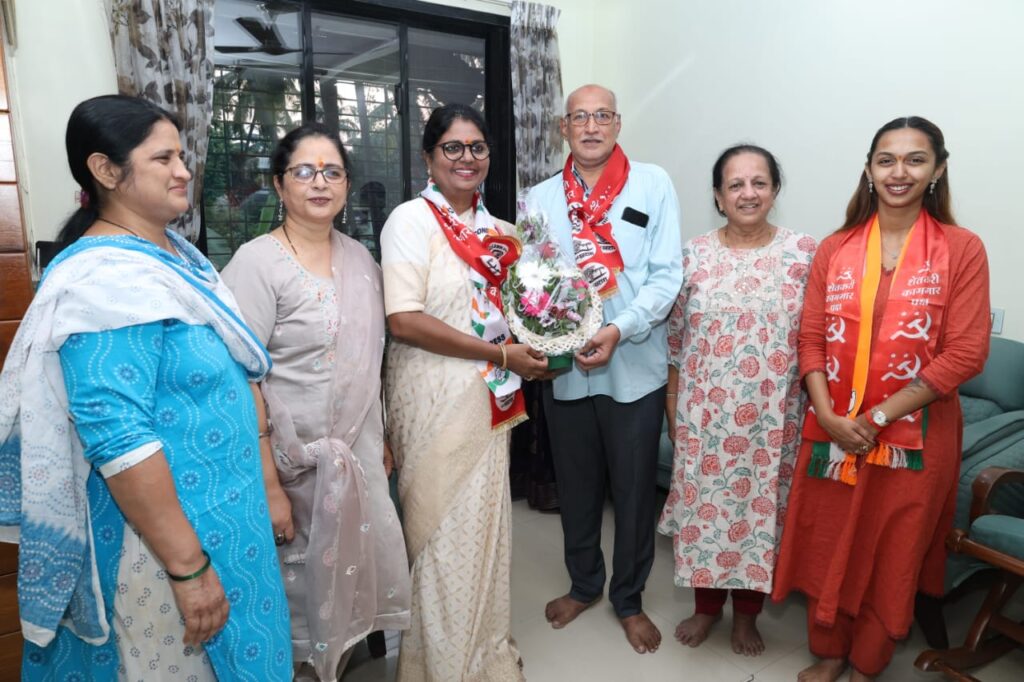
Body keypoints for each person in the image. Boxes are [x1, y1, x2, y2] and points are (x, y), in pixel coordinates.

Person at [0, 95, 291, 680]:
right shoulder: (105, 281)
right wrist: (188, 568)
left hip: (223, 517)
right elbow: (119, 437)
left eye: (181, 156)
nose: (183, 170)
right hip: (160, 550)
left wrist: (266, 484)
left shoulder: (175, 258)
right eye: (163, 159)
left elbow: (237, 375)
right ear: (106, 171)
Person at [771, 117, 990, 682]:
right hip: (834, 430)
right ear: (868, 169)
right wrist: (826, 414)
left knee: (891, 549)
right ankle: (830, 652)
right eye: (886, 159)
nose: (899, 172)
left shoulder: (962, 249)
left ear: (938, 169)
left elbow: (966, 353)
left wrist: (876, 417)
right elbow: (811, 338)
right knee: (828, 539)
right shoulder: (836, 247)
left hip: (915, 437)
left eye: (916, 160)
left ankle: (867, 662)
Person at [221, 122, 411, 680]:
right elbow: (239, 378)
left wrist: (382, 437)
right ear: (279, 185)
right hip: (291, 469)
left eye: (332, 172)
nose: (320, 182)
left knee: (352, 583)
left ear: (347, 184)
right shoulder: (256, 264)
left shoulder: (362, 261)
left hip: (358, 458)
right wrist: (268, 485)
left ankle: (341, 659)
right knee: (295, 603)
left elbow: (370, 360)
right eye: (304, 171)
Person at [381, 103, 550, 681]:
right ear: (428, 157)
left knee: (484, 533)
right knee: (440, 536)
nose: (466, 157)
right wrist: (503, 356)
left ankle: (482, 654)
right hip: (430, 396)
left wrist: (541, 354)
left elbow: (522, 319)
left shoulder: (504, 234)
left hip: (489, 400)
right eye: (452, 147)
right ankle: (439, 667)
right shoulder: (410, 221)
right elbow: (403, 320)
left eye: (477, 147)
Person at [527, 84, 683, 654]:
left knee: (635, 491)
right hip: (566, 370)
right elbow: (532, 280)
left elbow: (667, 275)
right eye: (579, 117)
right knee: (576, 486)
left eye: (602, 116)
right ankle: (585, 584)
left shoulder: (652, 183)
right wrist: (547, 340)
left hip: (635, 366)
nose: (590, 126)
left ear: (617, 124)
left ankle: (629, 599)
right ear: (563, 128)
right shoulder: (539, 197)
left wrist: (621, 328)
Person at [657, 145, 816, 657]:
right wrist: (674, 414)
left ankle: (747, 616)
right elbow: (675, 346)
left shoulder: (805, 255)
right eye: (735, 185)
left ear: (775, 190)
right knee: (706, 516)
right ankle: (706, 610)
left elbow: (817, 342)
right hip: (705, 420)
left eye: (759, 183)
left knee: (759, 519)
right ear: (718, 196)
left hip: (775, 424)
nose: (748, 193)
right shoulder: (692, 257)